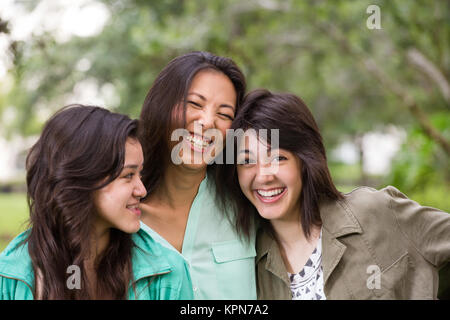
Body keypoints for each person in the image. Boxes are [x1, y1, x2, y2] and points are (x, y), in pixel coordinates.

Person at [216, 89, 450, 299]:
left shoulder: (375, 212)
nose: (264, 175)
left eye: (278, 158)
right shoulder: (249, 266)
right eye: (247, 161)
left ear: (305, 160)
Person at [0, 105, 193, 300]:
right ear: (81, 180)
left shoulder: (168, 274)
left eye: (140, 173)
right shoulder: (9, 277)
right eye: (128, 175)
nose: (142, 190)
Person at [138, 51, 257, 299]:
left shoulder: (247, 205)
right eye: (194, 104)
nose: (207, 121)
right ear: (162, 105)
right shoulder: (122, 214)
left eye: (224, 115)